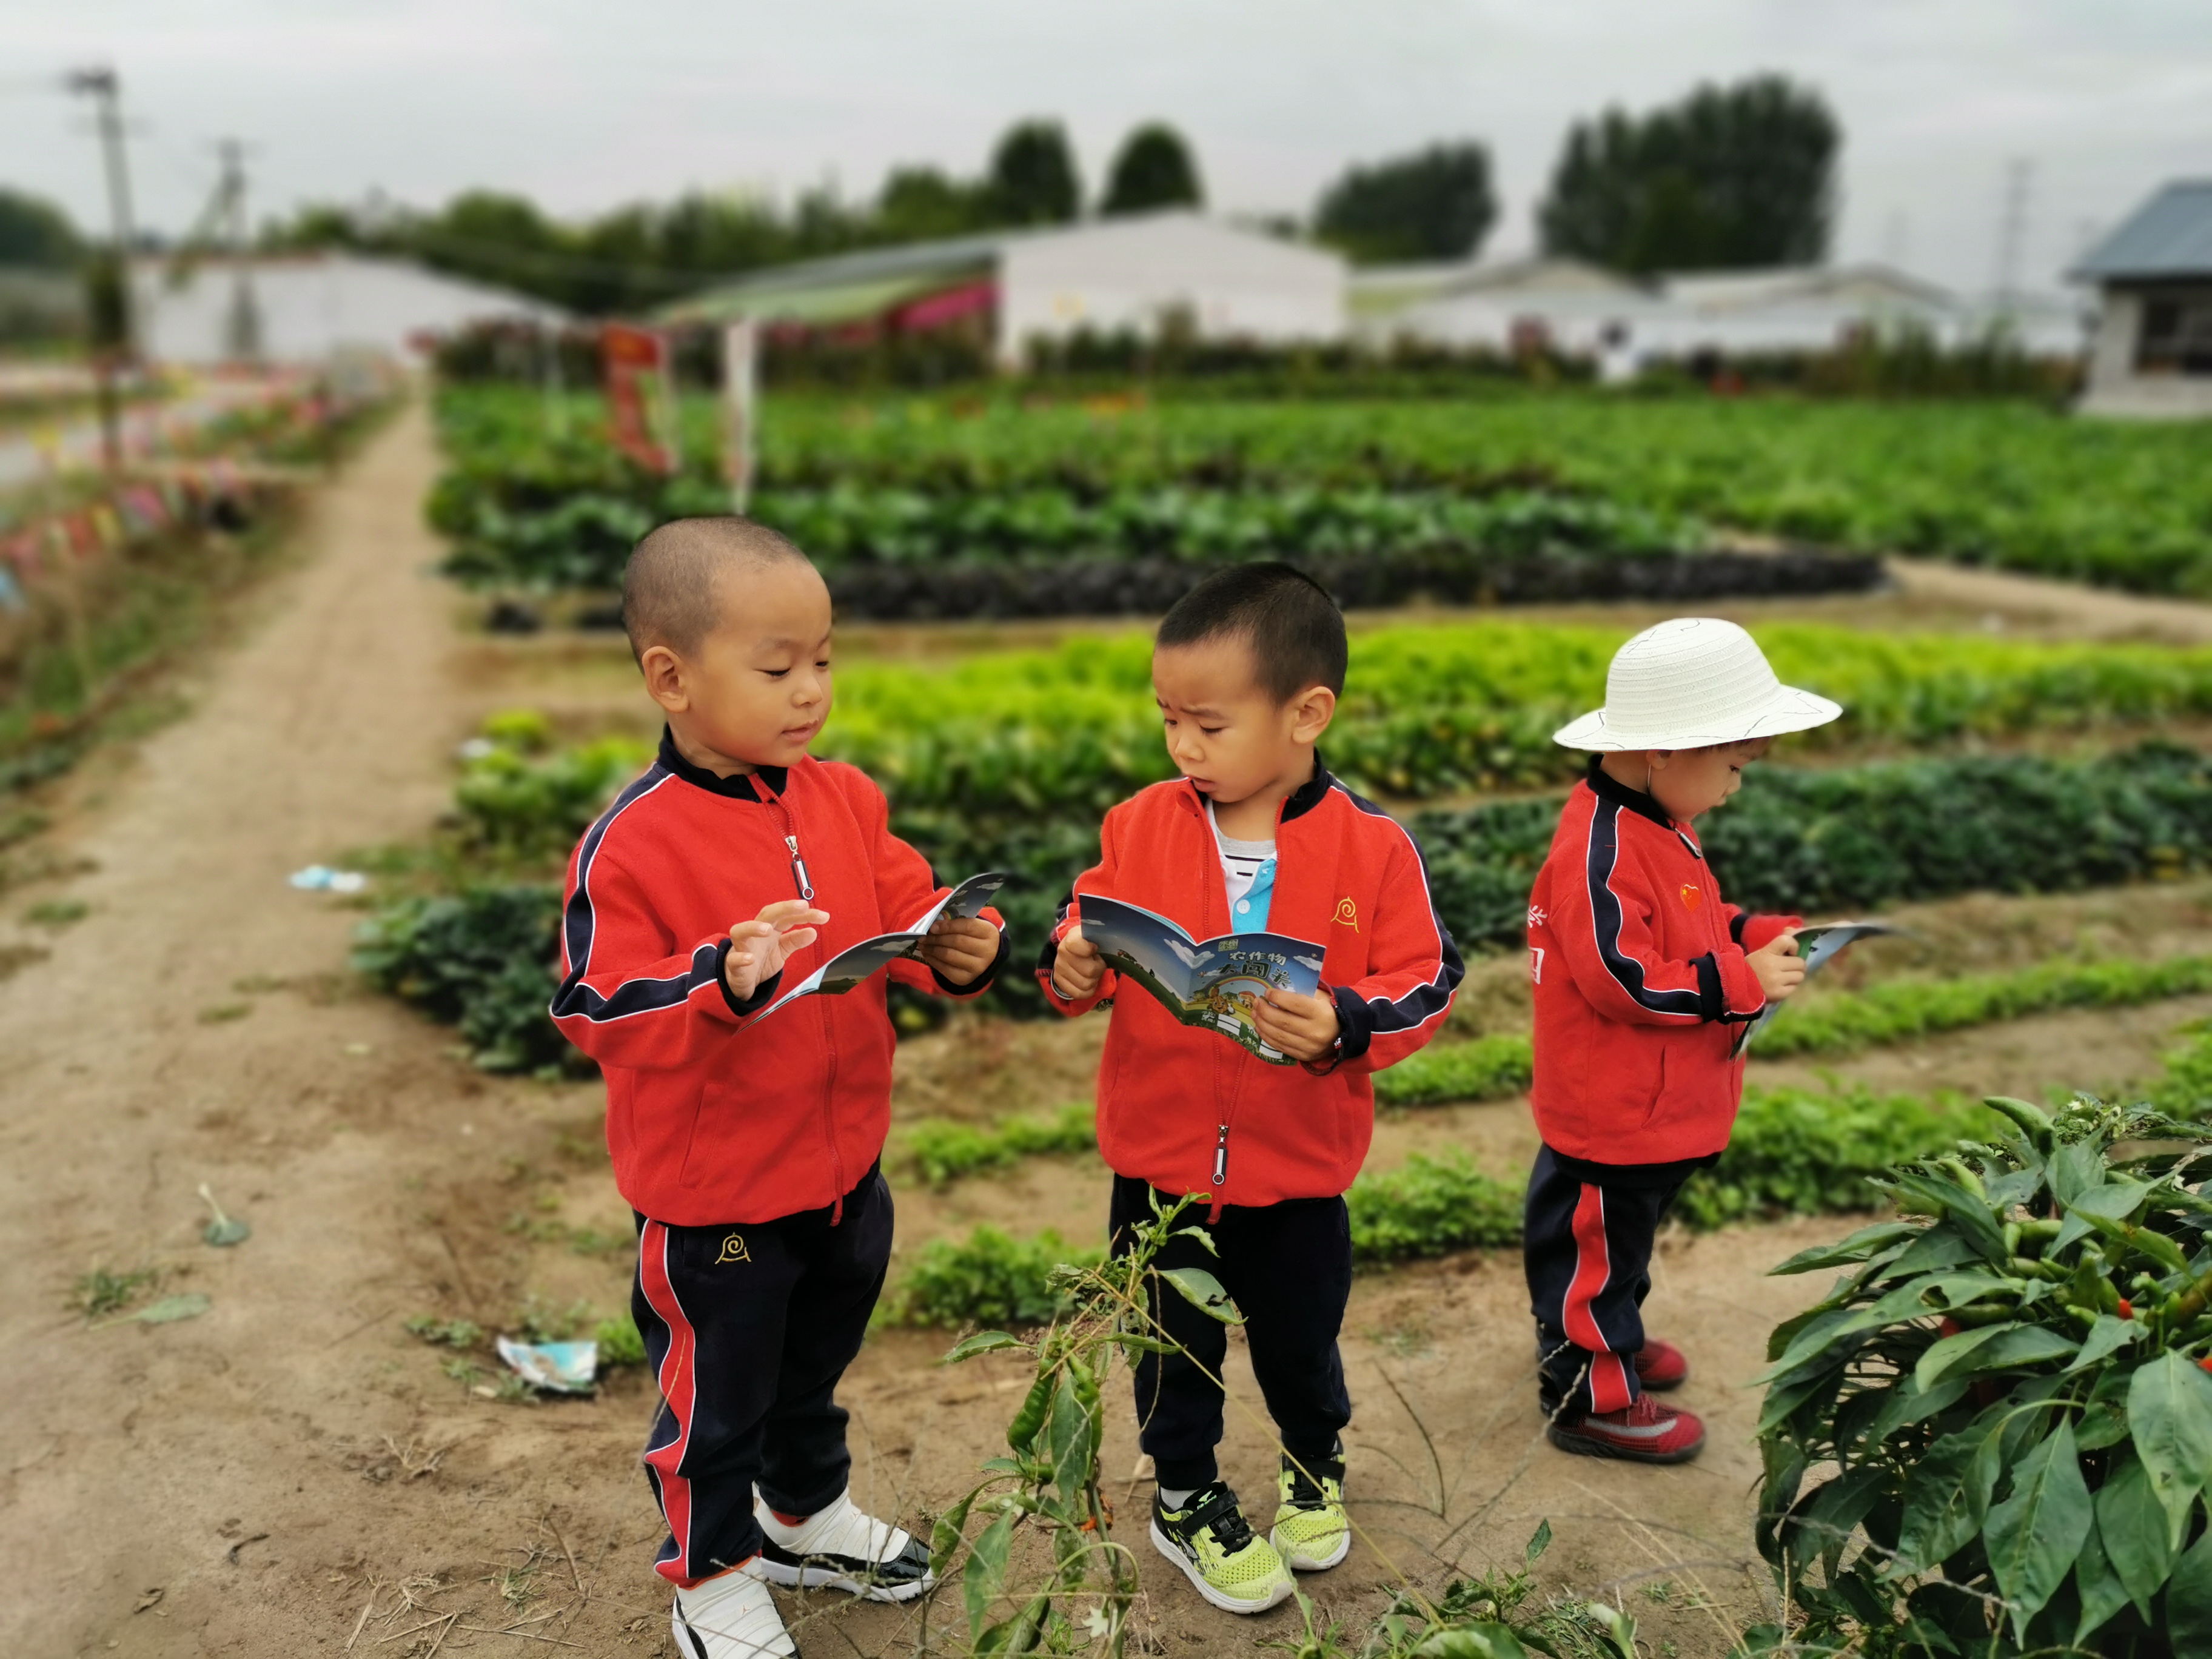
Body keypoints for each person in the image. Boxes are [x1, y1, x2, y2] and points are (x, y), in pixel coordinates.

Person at [550, 518, 1008, 1659]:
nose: (811, 690)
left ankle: (803, 1516)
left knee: (813, 1368)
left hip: (845, 1172)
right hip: (718, 1201)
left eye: (824, 658)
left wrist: (961, 945)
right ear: (672, 678)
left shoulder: (841, 797)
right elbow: (594, 1005)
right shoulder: (631, 845)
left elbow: (911, 906)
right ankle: (710, 1578)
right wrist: (716, 978)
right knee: (718, 1401)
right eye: (776, 667)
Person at [1039, 563, 1463, 1615]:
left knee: (1299, 1341)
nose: (1183, 748)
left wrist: (1345, 1022)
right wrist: (1074, 964)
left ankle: (1313, 1467)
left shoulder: (1373, 847)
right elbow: (1085, 923)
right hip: (1161, 1167)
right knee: (1169, 1348)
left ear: (1306, 714)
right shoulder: (1141, 823)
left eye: (1209, 725)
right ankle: (1185, 1498)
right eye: (1168, 721)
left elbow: (1427, 978)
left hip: (1298, 1170)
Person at [1524, 616, 1840, 1463]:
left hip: (1654, 1107)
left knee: (1618, 1251)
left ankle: (1610, 1341)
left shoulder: (1659, 823)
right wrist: (1740, 980)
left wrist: (1751, 933)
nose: (1737, 784)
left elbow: (1689, 923)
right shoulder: (1598, 850)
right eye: (1734, 765)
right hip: (1614, 1115)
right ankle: (1588, 1398)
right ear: (1663, 749)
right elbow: (1621, 975)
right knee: (1593, 1256)